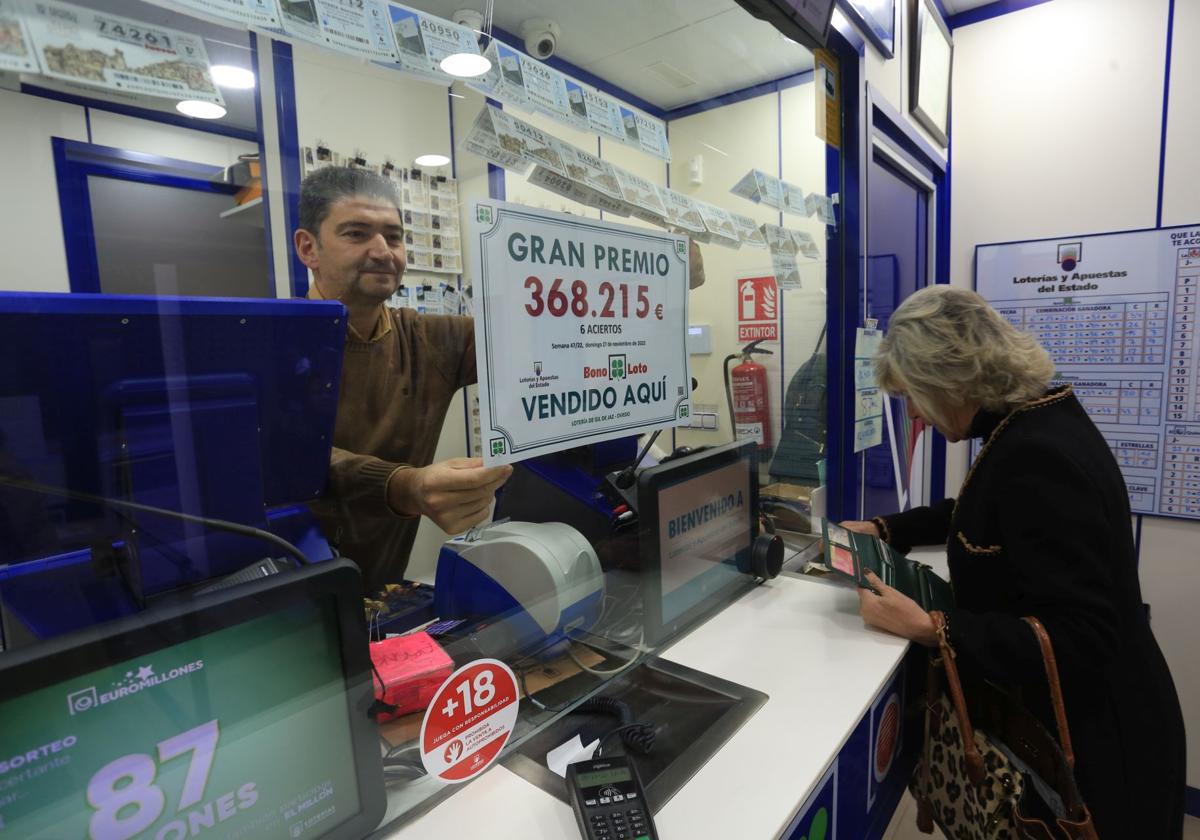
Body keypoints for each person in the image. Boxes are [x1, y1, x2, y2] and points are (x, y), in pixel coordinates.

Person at [843, 286, 1185, 838]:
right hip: (1092, 719)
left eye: (915, 396)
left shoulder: (1038, 453)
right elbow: (988, 511)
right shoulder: (1035, 422)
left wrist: (934, 628)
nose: (917, 417)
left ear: (949, 379)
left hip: (1100, 745)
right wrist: (889, 529)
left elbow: (1084, 635)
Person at [294, 166, 511, 592]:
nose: (382, 251)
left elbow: (547, 336)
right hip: (287, 598)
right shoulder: (274, 342)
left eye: (393, 237)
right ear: (308, 248)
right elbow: (295, 453)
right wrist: (403, 485)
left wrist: (661, 281)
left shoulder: (430, 339)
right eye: (356, 234)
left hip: (383, 593)